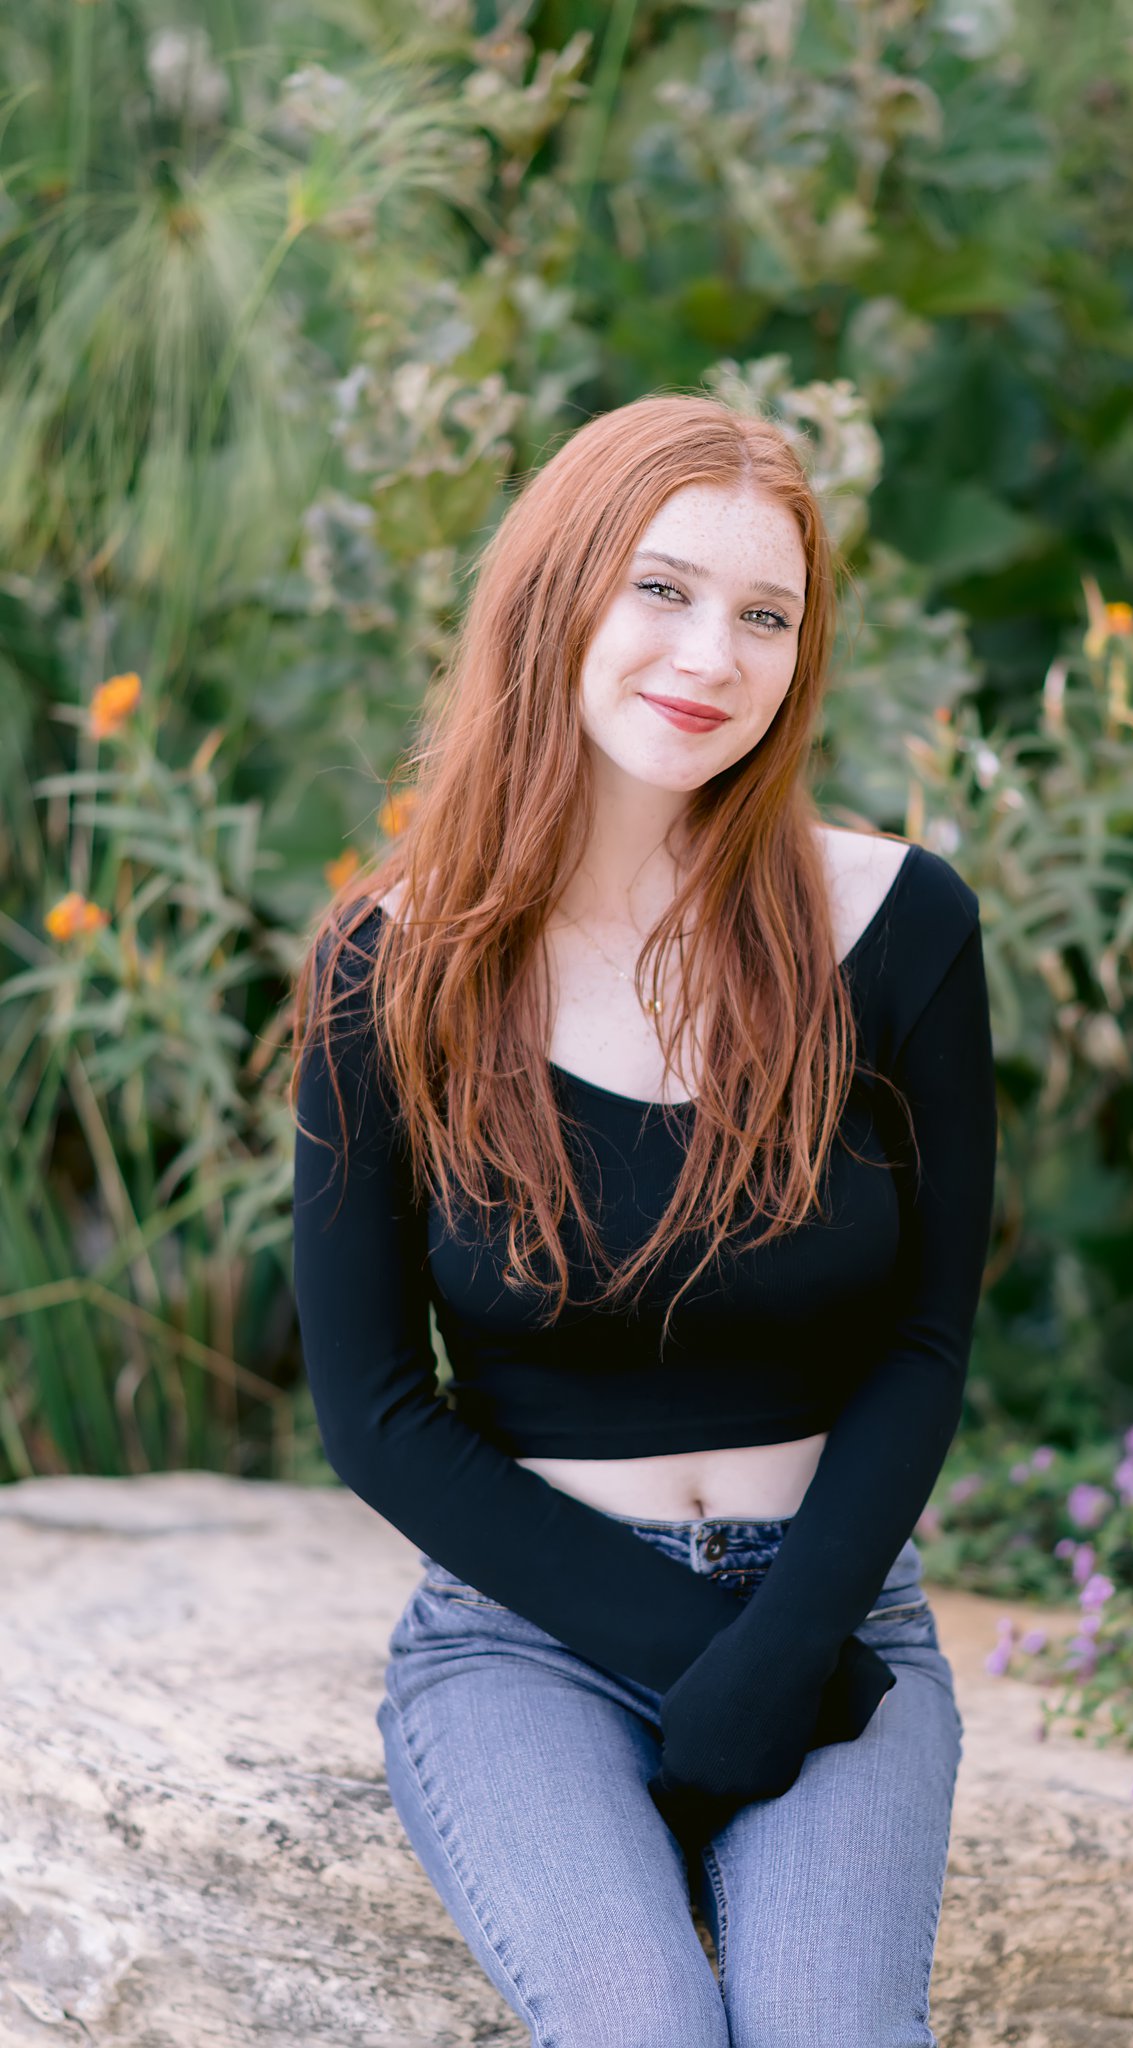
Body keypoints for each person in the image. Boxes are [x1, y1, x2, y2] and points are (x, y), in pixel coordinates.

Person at [289, 391, 997, 2048]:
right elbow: (376, 1413)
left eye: (766, 615)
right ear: (561, 597)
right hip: (524, 1640)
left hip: (837, 1614)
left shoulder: (894, 925)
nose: (711, 654)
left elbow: (925, 1333)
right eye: (661, 589)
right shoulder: (390, 966)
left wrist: (791, 1638)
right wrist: (699, 1653)